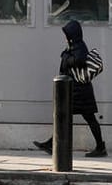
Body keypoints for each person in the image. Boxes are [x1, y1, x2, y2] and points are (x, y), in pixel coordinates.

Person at [34, 19, 106, 157]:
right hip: (75, 90)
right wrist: (66, 54)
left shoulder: (79, 46)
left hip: (80, 91)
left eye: (67, 34)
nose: (65, 37)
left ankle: (100, 147)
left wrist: (66, 57)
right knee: (65, 117)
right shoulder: (73, 45)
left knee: (85, 118)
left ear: (72, 35)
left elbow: (79, 60)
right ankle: (52, 144)